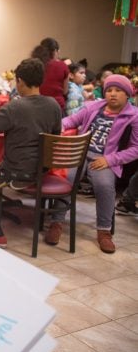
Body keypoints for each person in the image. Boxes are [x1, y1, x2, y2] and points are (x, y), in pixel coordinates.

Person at [0, 58, 61, 248]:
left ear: (19, 80)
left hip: (15, 170)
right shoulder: (53, 105)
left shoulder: (14, 107)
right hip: (41, 169)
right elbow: (55, 135)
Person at [51, 74, 138, 253]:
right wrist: (61, 125)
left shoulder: (133, 116)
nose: (112, 94)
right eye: (109, 90)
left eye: (118, 90)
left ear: (127, 94)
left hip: (105, 159)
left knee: (105, 185)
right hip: (81, 152)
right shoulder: (93, 107)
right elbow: (71, 120)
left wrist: (110, 159)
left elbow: (135, 148)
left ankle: (104, 231)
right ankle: (56, 222)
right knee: (67, 178)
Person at [32, 37, 69, 114]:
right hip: (56, 107)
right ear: (55, 51)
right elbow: (65, 91)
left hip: (36, 106)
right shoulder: (62, 66)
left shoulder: (34, 65)